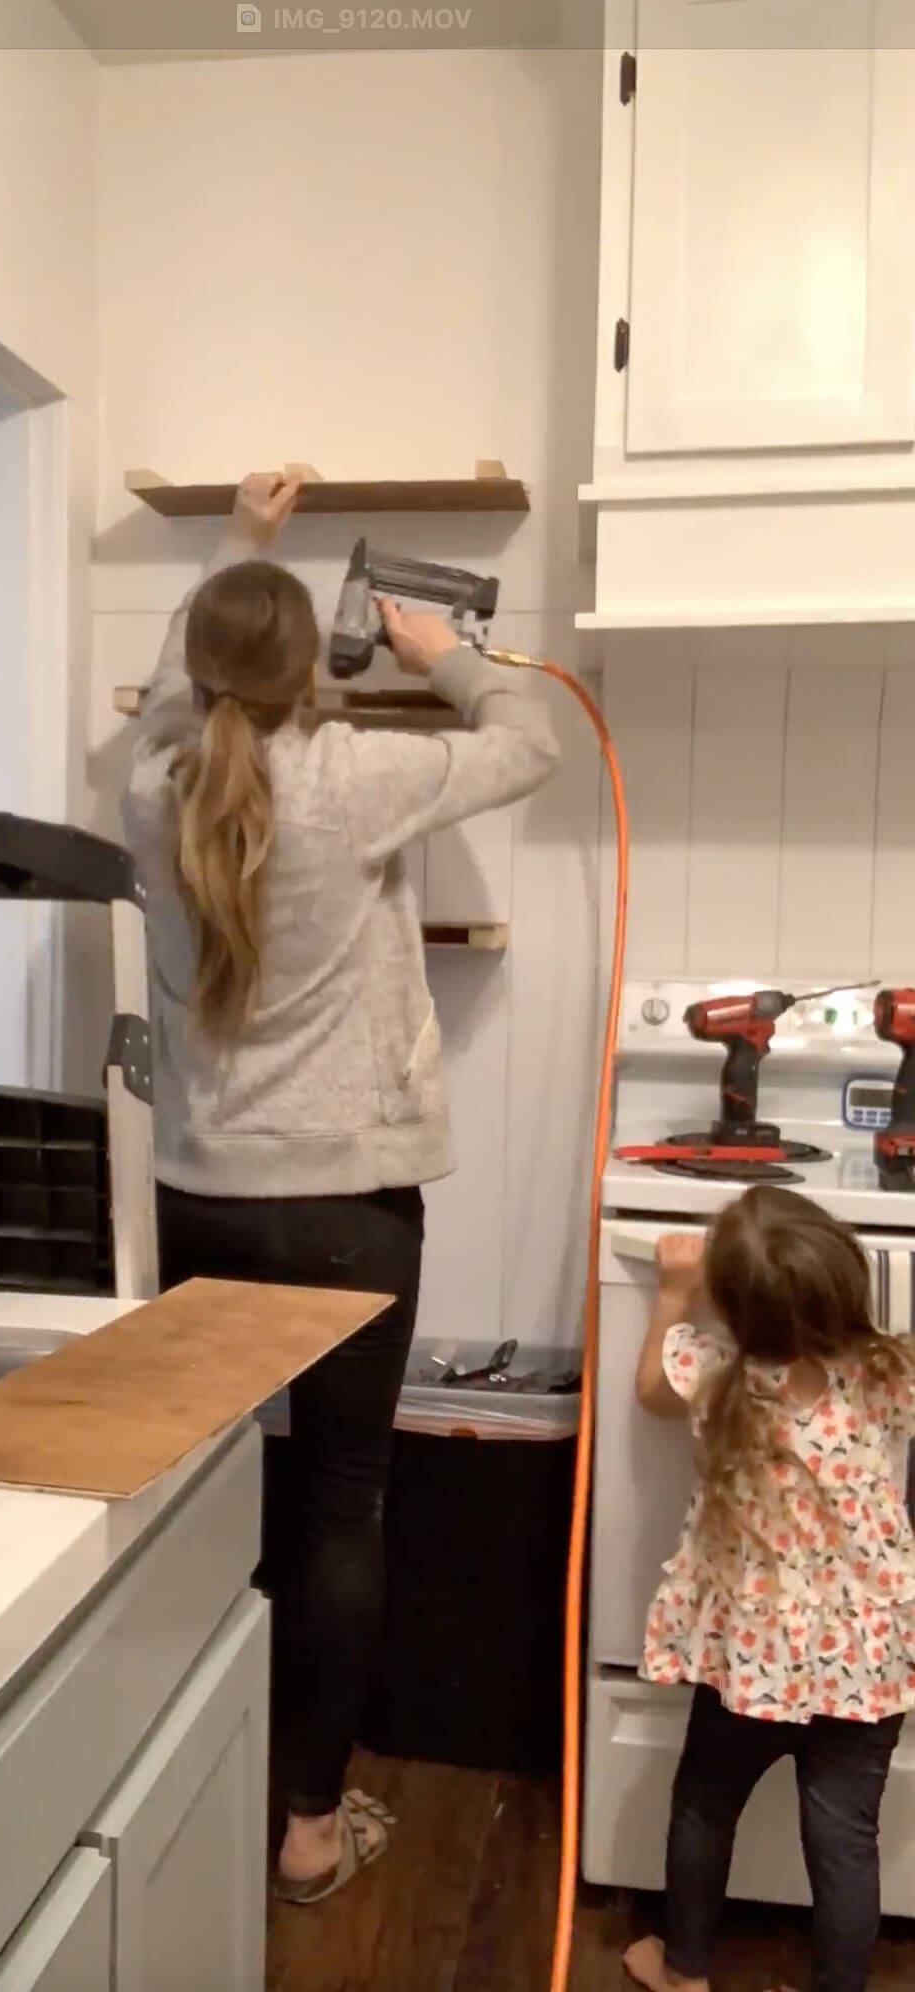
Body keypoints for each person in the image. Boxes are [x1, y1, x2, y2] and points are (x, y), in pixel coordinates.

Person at [121, 471, 560, 1903]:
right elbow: (531, 737)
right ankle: (308, 1828)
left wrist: (242, 555)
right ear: (313, 672)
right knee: (344, 1499)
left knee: (195, 1490)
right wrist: (451, 659)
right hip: (346, 1213)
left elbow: (168, 706)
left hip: (197, 1198)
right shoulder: (357, 775)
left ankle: (166, 1782)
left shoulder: (151, 789)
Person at [624, 1185, 915, 1992]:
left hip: (753, 1657)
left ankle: (683, 1973)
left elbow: (650, 1388)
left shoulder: (718, 1378)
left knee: (705, 1805)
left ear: (735, 1309)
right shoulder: (888, 1370)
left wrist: (676, 1295)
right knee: (846, 1839)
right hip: (866, 1658)